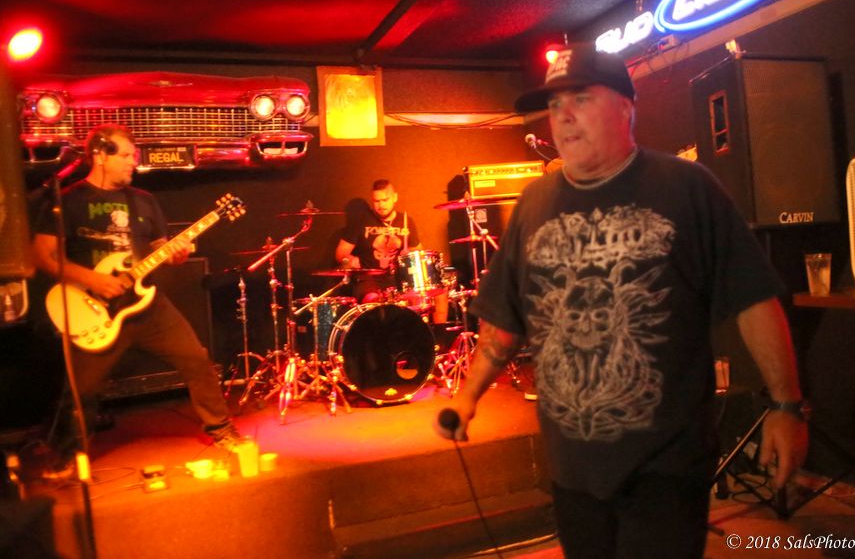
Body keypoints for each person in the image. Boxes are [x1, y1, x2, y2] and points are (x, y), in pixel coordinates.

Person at [434, 43, 809, 558]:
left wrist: (787, 405)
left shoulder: (686, 187)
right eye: (555, 105)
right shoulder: (533, 204)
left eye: (581, 99)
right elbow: (505, 317)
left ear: (627, 108)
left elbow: (753, 298)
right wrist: (468, 396)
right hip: (572, 466)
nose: (563, 116)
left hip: (666, 463)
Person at [32, 124, 241, 476]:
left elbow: (160, 248)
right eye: (126, 155)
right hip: (93, 307)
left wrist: (176, 253)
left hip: (146, 305)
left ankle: (221, 428)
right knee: (81, 389)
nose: (134, 161)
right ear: (100, 156)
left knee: (197, 359)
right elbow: (42, 255)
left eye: (134, 155)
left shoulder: (144, 200)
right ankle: (69, 454)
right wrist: (93, 279)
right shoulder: (67, 200)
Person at [335, 179, 423, 303]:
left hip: (399, 278)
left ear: (395, 198)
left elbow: (418, 253)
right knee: (373, 300)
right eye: (377, 201)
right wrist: (351, 261)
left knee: (420, 298)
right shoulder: (361, 220)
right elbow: (340, 253)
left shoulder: (406, 221)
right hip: (368, 279)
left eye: (385, 200)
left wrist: (410, 256)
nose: (381, 205)